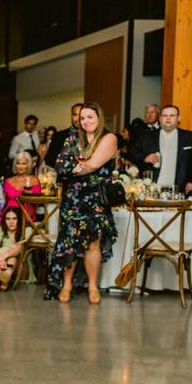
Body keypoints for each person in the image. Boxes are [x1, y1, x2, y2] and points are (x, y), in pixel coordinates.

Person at [45, 102, 118, 304]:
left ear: (99, 118)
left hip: (95, 198)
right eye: (82, 117)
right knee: (70, 242)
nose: (85, 121)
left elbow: (93, 165)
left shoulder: (109, 138)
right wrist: (76, 167)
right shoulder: (73, 137)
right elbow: (60, 164)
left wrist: (77, 167)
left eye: (90, 117)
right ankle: (67, 285)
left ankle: (93, 287)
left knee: (93, 243)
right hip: (72, 198)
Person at [134, 104, 192, 193]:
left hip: (180, 190)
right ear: (160, 118)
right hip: (152, 190)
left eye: (172, 115)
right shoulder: (146, 137)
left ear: (178, 118)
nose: (168, 119)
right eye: (164, 115)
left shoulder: (191, 137)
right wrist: (144, 158)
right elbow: (133, 153)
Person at [0, 206, 31, 290]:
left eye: (14, 218)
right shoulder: (0, 229)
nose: (11, 222)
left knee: (12, 256)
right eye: (8, 219)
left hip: (22, 268)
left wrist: (4, 256)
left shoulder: (27, 230)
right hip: (2, 263)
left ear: (19, 219)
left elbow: (19, 248)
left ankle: (5, 276)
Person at [3, 150, 41, 219]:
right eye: (18, 163)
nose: (20, 166)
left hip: (26, 216)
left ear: (28, 165)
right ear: (15, 164)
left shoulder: (34, 180)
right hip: (9, 215)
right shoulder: (8, 181)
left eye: (24, 163)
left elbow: (37, 202)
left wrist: (29, 194)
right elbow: (4, 202)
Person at [44, 103, 82, 168]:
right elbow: (49, 160)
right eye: (75, 114)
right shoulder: (58, 136)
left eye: (81, 115)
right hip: (61, 176)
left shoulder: (91, 136)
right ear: (71, 116)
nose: (78, 118)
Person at [128, 104, 160, 168]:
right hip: (143, 168)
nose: (149, 115)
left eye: (152, 112)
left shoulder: (165, 130)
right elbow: (132, 150)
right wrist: (144, 158)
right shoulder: (138, 130)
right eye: (147, 112)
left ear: (158, 114)